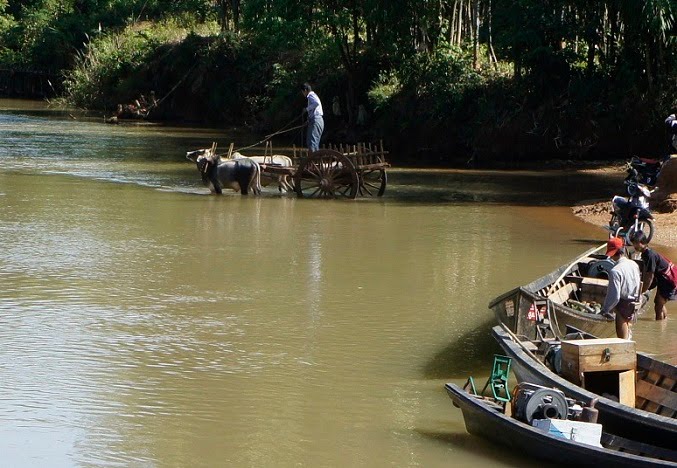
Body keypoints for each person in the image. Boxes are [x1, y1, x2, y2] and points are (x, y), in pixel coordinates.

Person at [600, 237, 641, 339]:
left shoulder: (615, 271)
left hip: (624, 304)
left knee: (622, 338)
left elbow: (615, 297)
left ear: (613, 253)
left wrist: (605, 310)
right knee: (628, 333)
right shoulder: (634, 264)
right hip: (635, 301)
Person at [630, 232, 677, 320]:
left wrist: (642, 291)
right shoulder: (646, 253)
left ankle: (660, 327)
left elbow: (650, 276)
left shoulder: (650, 255)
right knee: (659, 303)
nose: (634, 246)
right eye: (633, 243)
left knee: (658, 306)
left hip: (669, 280)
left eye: (636, 243)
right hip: (664, 279)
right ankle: (663, 322)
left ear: (643, 242)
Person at [301, 83, 324, 152]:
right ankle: (315, 160)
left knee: (311, 142)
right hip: (318, 120)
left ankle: (312, 160)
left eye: (302, 92)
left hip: (316, 120)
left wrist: (306, 109)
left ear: (305, 90)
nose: (303, 94)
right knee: (314, 142)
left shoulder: (310, 95)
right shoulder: (314, 95)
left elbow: (316, 103)